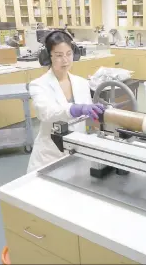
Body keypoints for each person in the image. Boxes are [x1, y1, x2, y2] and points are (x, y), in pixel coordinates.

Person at [27, 31, 105, 173]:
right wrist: (75, 109)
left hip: (77, 152)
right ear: (48, 57)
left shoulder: (81, 83)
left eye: (68, 54)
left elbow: (86, 119)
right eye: (59, 55)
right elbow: (46, 113)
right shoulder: (38, 85)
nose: (65, 60)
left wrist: (99, 117)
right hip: (49, 156)